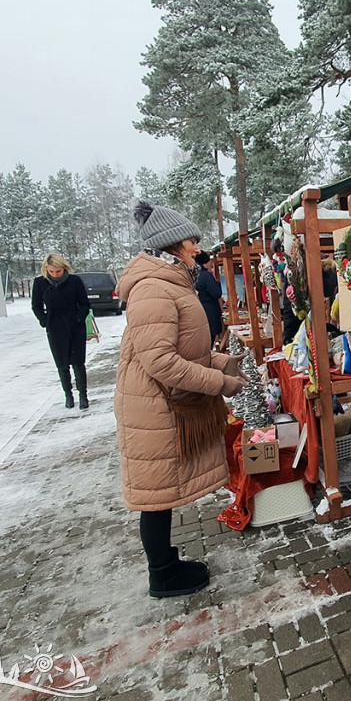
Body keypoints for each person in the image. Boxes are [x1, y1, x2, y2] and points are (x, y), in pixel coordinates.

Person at [115, 202, 248, 598]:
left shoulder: (172, 280)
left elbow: (184, 347)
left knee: (160, 492)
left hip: (163, 401)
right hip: (155, 405)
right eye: (192, 241)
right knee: (155, 495)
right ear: (172, 245)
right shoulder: (154, 288)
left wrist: (225, 362)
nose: (197, 248)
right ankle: (163, 575)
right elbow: (160, 360)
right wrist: (218, 383)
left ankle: (167, 566)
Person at [32, 253, 91, 409]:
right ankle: (68, 395)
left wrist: (79, 318)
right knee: (61, 363)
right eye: (51, 271)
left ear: (64, 268)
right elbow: (36, 306)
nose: (55, 274)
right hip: (55, 326)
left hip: (75, 326)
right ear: (46, 269)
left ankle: (83, 395)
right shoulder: (40, 283)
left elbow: (85, 303)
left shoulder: (74, 281)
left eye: (58, 271)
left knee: (78, 362)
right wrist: (44, 320)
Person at [193, 250, 224, 345]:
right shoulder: (205, 276)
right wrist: (217, 284)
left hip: (198, 311)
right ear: (205, 263)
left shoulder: (193, 275)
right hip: (209, 311)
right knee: (210, 340)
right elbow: (216, 293)